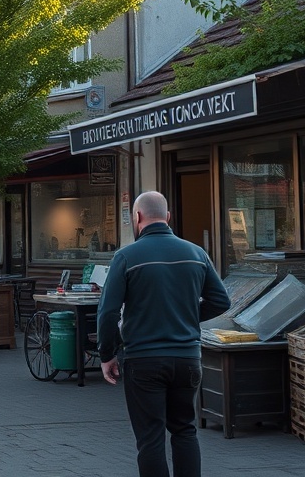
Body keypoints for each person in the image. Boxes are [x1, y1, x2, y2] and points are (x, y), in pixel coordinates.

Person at [96, 191, 231, 477]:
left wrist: (106, 354)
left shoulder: (126, 257)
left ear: (137, 217)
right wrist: (186, 316)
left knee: (150, 437)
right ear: (168, 217)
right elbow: (222, 301)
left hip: (144, 360)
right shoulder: (196, 253)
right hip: (187, 359)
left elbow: (107, 313)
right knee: (185, 431)